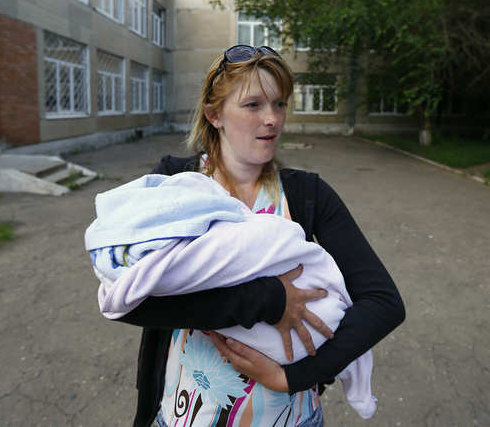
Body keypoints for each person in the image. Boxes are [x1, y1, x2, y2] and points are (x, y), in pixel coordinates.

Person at [116, 45, 405, 427]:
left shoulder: (307, 195)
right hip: (182, 416)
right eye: (253, 105)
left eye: (279, 104)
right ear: (214, 114)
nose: (272, 119)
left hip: (291, 418)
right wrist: (269, 300)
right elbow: (131, 299)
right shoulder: (176, 182)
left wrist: (292, 377)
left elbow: (384, 303)